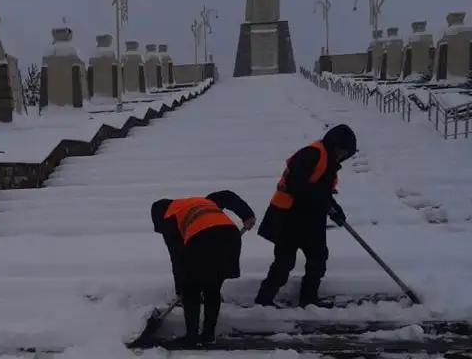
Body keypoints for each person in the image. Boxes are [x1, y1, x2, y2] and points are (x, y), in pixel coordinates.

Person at [254, 124, 357, 308]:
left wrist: (335, 210)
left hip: (310, 219)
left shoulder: (329, 162)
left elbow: (322, 192)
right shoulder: (312, 154)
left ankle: (309, 300)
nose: (343, 157)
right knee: (284, 262)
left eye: (346, 154)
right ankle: (263, 300)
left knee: (318, 259)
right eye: (342, 151)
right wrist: (322, 202)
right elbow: (296, 184)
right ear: (334, 145)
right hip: (288, 217)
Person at [150, 190, 256, 346]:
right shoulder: (199, 202)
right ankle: (208, 335)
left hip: (201, 238)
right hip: (229, 236)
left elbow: (178, 260)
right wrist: (247, 215)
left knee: (191, 289)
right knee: (212, 287)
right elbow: (227, 195)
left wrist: (182, 290)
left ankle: (191, 337)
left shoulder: (169, 219)